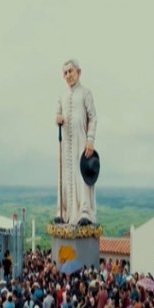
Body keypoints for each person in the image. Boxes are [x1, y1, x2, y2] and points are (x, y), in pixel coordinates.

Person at [54, 58, 98, 226]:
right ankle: (63, 213)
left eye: (70, 71)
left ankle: (84, 212)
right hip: (66, 144)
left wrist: (90, 140)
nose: (68, 75)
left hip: (82, 143)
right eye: (65, 73)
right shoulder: (62, 96)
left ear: (78, 72)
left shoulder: (86, 93)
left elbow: (93, 117)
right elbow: (58, 114)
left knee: (82, 177)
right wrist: (57, 118)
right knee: (65, 177)